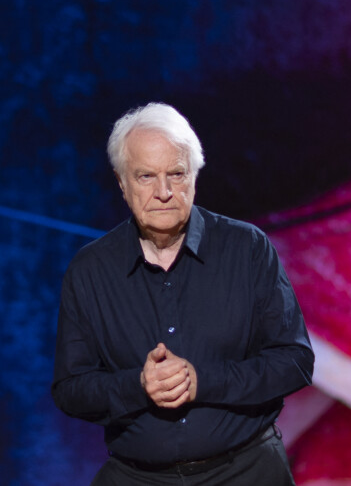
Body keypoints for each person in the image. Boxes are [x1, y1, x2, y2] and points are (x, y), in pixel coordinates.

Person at [52, 103, 314, 485]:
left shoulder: (247, 249)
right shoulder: (89, 271)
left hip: (247, 471)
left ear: (194, 176)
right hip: (138, 476)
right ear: (122, 183)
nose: (163, 192)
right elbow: (71, 390)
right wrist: (138, 386)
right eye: (145, 176)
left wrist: (201, 380)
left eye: (176, 174)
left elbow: (295, 361)